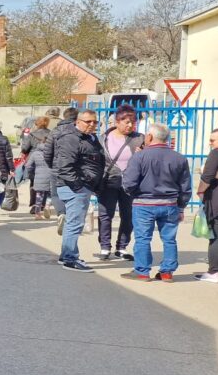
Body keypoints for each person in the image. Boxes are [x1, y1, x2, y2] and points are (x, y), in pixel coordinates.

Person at [119, 123, 192, 282]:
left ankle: (142, 272)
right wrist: (181, 206)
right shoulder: (179, 158)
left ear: (150, 137)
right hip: (169, 204)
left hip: (144, 204)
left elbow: (129, 183)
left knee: (143, 238)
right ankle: (167, 272)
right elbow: (185, 187)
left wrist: (133, 195)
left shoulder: (139, 157)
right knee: (169, 239)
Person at [52, 109, 105, 272]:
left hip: (82, 185)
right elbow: (65, 166)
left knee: (73, 222)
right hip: (75, 187)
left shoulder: (90, 138)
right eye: (88, 121)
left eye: (94, 122)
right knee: (75, 223)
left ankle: (66, 255)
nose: (91, 125)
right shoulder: (71, 138)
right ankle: (70, 258)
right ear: (78, 122)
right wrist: (78, 186)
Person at [96, 106, 143, 261]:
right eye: (127, 122)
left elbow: (147, 160)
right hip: (109, 180)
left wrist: (141, 155)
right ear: (117, 121)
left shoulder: (139, 139)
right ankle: (104, 246)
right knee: (105, 215)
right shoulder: (103, 138)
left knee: (128, 215)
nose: (130, 125)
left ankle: (122, 247)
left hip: (131, 182)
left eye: (133, 122)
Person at [42, 107, 79, 225]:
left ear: (64, 116)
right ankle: (72, 217)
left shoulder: (55, 131)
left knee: (55, 193)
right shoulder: (79, 130)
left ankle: (61, 213)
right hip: (75, 168)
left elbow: (47, 152)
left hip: (56, 168)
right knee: (74, 192)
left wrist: (51, 165)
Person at [195, 129, 218, 282]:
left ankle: (213, 272)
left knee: (217, 237)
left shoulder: (217, 153)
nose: (210, 143)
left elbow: (207, 176)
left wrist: (200, 191)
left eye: (213, 140)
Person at [24, 123, 55, 220]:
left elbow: (28, 165)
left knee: (39, 195)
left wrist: (31, 173)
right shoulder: (53, 152)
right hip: (51, 175)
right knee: (50, 193)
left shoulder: (35, 153)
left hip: (38, 176)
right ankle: (47, 206)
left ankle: (37, 213)